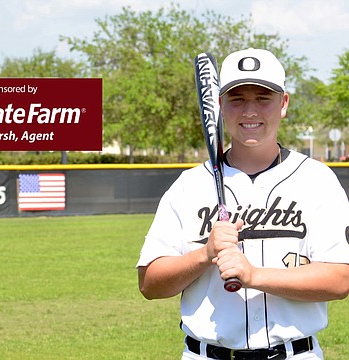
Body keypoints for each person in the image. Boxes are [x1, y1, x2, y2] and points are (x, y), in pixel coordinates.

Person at [137, 48, 349, 360]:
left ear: (284, 104)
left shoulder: (317, 180)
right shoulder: (190, 185)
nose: (250, 110)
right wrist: (204, 254)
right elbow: (150, 283)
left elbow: (340, 279)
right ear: (219, 105)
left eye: (263, 98)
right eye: (237, 99)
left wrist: (254, 276)